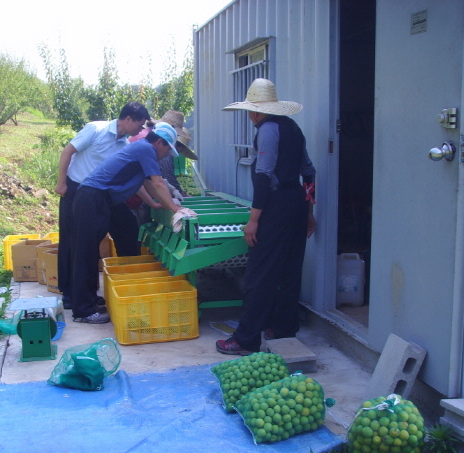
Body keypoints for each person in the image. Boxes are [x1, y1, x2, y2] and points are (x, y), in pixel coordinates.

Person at [216, 78, 317, 355]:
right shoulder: (293, 128)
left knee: (259, 273)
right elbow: (308, 172)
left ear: (255, 111)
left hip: (275, 207)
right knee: (288, 269)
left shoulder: (268, 129)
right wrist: (308, 212)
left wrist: (254, 219)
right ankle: (284, 328)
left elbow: (263, 176)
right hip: (296, 203)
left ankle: (246, 339)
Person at [69, 122, 196, 324]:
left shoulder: (142, 150)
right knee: (86, 252)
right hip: (92, 198)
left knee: (102, 244)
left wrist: (154, 203)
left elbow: (144, 183)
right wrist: (175, 208)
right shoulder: (146, 148)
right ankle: (82, 310)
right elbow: (158, 182)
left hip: (100, 199)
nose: (165, 155)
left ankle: (90, 300)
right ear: (160, 142)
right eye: (167, 150)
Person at [55, 102, 151, 310]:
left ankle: (126, 283)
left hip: (102, 196)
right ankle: (71, 295)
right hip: (76, 190)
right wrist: (61, 182)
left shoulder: (124, 145)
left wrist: (151, 201)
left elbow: (135, 180)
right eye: (139, 124)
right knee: (74, 243)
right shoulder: (96, 129)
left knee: (127, 230)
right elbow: (67, 152)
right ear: (128, 119)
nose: (140, 130)